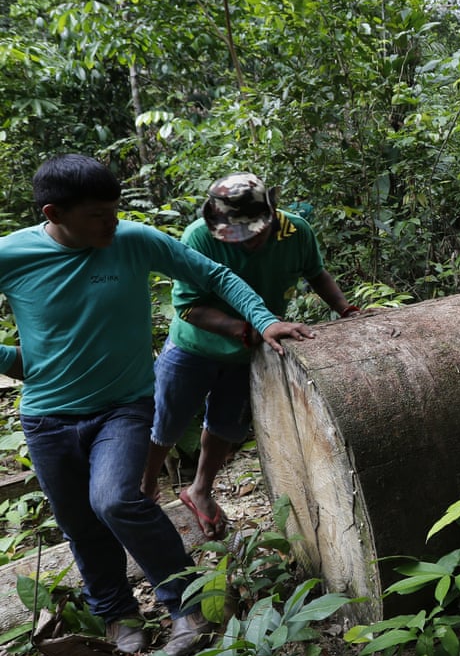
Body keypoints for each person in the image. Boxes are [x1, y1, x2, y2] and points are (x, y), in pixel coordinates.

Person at [0, 154, 316, 656]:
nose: (113, 223)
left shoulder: (133, 240)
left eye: (114, 210)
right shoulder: (13, 254)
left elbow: (215, 275)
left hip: (123, 405)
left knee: (116, 500)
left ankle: (186, 606)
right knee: (79, 524)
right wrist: (15, 362)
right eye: (97, 216)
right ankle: (116, 614)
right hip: (46, 416)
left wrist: (263, 319)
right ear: (53, 214)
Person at [143, 173, 358, 540]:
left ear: (271, 215)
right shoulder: (199, 237)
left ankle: (200, 489)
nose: (245, 242)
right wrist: (247, 330)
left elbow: (316, 273)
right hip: (194, 347)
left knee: (226, 424)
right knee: (166, 421)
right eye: (236, 235)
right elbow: (189, 307)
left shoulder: (296, 231)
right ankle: (145, 488)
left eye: (252, 233)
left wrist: (345, 310)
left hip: (250, 354)